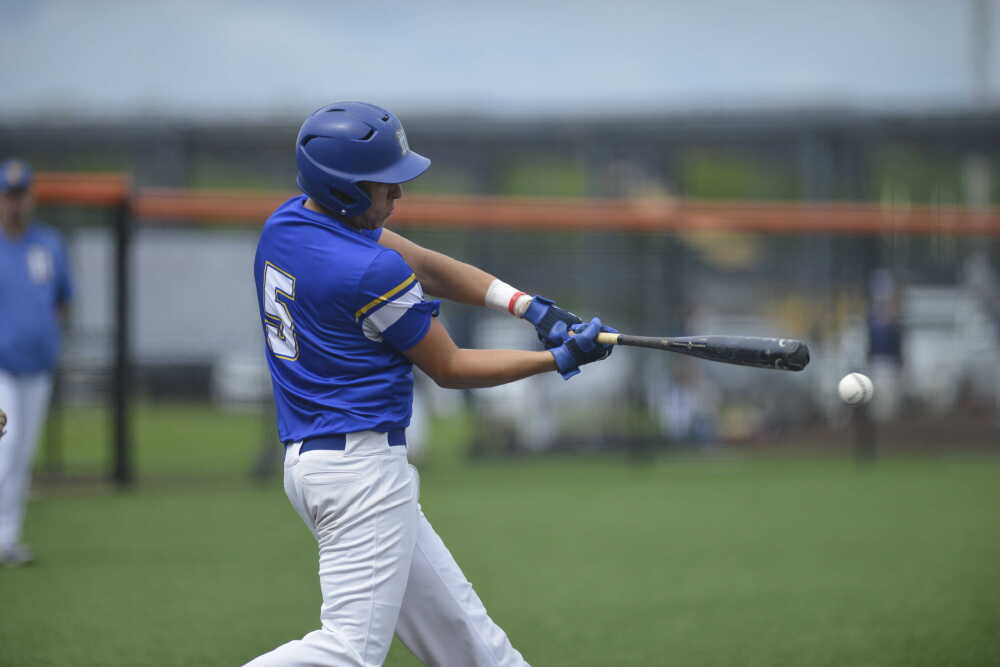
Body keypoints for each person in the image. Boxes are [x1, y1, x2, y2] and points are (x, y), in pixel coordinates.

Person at [246, 102, 615, 667]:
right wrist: (559, 358)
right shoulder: (369, 272)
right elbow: (451, 368)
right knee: (348, 651)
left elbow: (427, 264)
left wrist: (528, 306)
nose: (397, 198)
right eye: (384, 187)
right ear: (344, 190)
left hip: (324, 464)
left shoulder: (289, 223)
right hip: (359, 473)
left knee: (468, 641)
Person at [0, 159, 74, 566]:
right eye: (9, 196)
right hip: (2, 368)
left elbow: (63, 299)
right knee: (4, 447)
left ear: (31, 197)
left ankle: (7, 539)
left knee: (22, 454)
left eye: (21, 194)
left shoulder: (48, 245)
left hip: (37, 368)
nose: (15, 203)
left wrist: (46, 336)